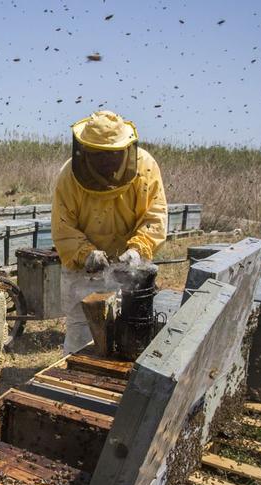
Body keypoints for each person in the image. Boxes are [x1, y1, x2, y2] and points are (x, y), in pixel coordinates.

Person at [51, 111, 168, 354]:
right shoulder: (69, 176)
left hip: (130, 268)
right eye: (98, 155)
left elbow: (154, 216)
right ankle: (73, 385)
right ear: (85, 151)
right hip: (82, 269)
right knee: (82, 337)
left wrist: (137, 250)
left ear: (125, 149)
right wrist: (86, 254)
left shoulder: (145, 168)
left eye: (111, 155)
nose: (105, 162)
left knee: (130, 333)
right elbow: (63, 227)